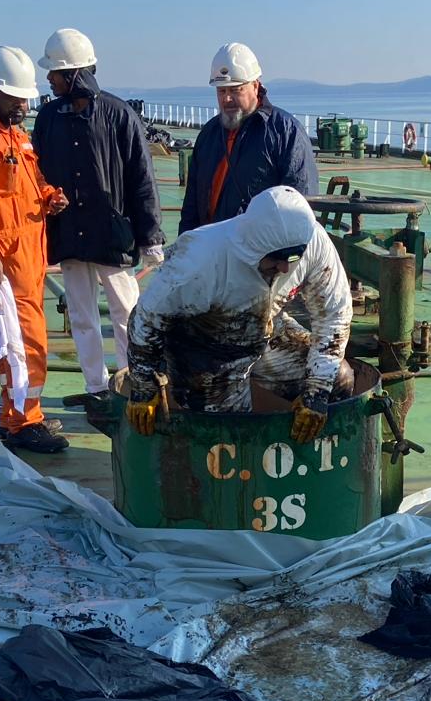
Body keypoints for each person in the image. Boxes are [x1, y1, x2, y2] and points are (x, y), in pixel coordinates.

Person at [126, 185, 351, 444]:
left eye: (293, 256)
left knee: (338, 379)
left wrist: (317, 390)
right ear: (253, 246)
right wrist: (144, 385)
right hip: (203, 348)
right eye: (276, 258)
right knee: (229, 433)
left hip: (266, 331)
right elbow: (145, 319)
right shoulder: (198, 260)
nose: (285, 267)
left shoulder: (313, 242)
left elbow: (334, 314)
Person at [30, 28, 164, 406]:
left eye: (55, 73)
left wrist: (150, 235)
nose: (49, 79)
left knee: (127, 314)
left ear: (73, 75)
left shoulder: (119, 116)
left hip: (112, 234)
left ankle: (131, 385)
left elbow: (141, 176)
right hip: (70, 234)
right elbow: (36, 171)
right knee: (83, 316)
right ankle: (95, 387)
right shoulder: (49, 118)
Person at [0, 45, 70, 453]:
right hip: (3, 261)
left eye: (25, 98)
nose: (22, 105)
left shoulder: (16, 137)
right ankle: (23, 424)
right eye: (14, 97)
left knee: (25, 339)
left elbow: (29, 185)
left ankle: (22, 413)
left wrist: (50, 196)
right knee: (23, 343)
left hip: (27, 257)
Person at [178, 43, 318, 235]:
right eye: (222, 91)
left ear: (255, 86)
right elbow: (192, 205)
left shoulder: (285, 132)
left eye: (235, 90)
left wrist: (281, 258)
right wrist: (186, 250)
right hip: (213, 253)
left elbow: (301, 204)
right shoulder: (209, 135)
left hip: (262, 258)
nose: (227, 99)